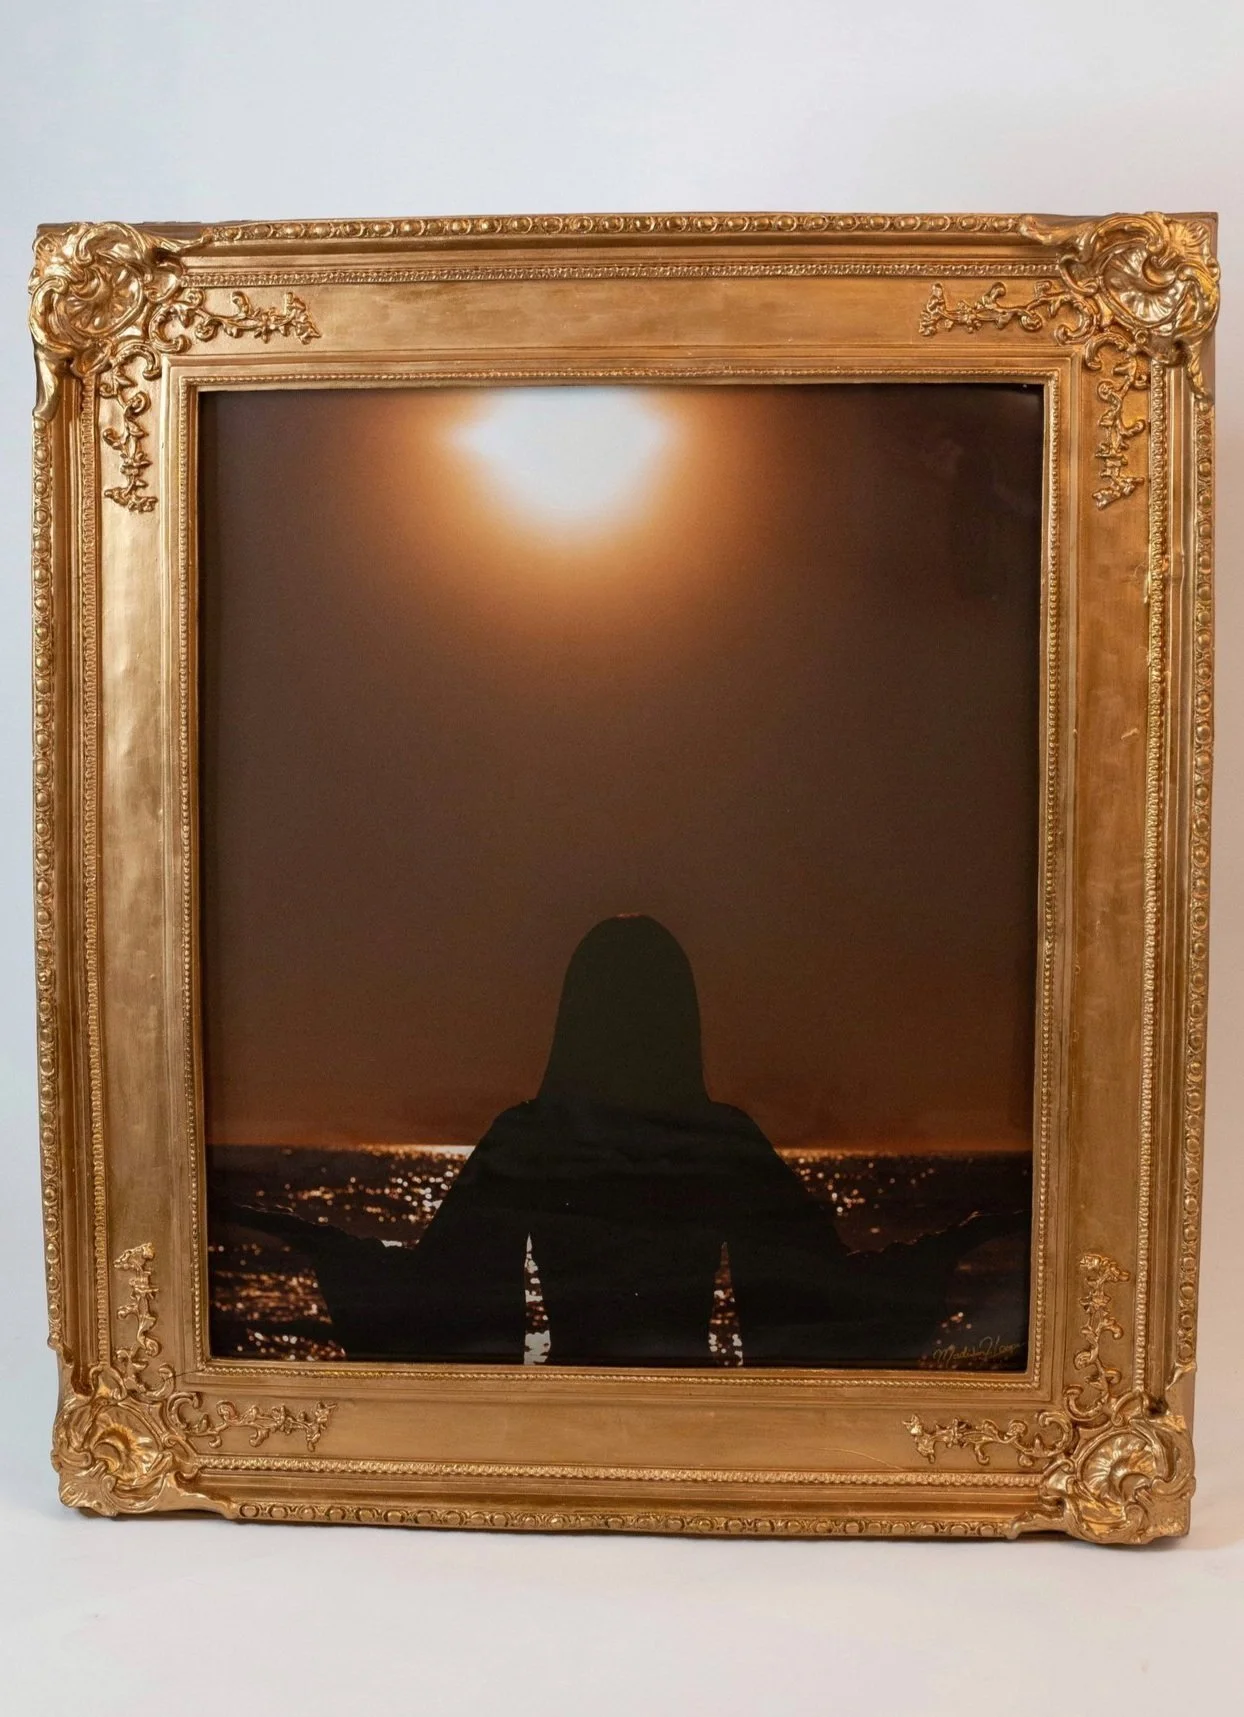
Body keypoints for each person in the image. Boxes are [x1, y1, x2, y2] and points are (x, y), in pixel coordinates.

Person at [236, 915, 1015, 1363]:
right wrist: (951, 1244)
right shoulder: (720, 1139)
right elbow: (818, 1289)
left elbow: (439, 1291)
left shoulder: (530, 1136)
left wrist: (328, 1247)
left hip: (572, 1397)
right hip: (690, 1404)